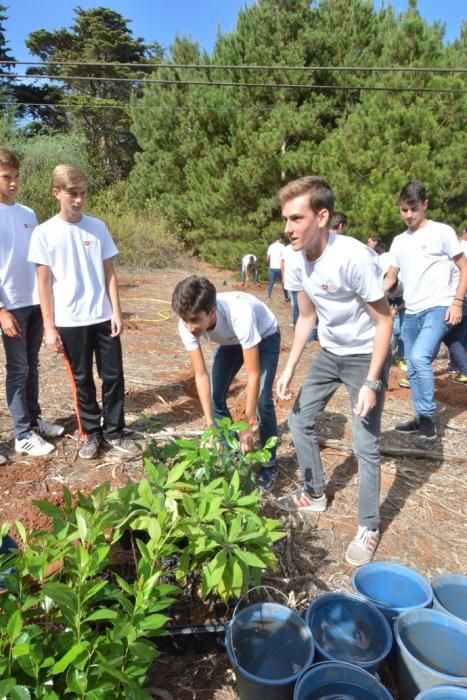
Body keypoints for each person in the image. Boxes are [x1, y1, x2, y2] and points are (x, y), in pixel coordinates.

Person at [275, 176, 392, 567]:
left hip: (364, 355)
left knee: (365, 443)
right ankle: (315, 492)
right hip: (329, 352)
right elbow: (306, 316)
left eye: (296, 218)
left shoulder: (353, 257)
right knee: (298, 420)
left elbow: (385, 321)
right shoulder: (294, 258)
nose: (288, 228)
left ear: (322, 217)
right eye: (285, 219)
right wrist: (290, 367)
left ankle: (369, 525)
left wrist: (373, 382)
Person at [28, 164, 137, 460]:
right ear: (57, 193)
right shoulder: (44, 233)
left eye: (83, 194)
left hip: (102, 316)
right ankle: (91, 433)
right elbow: (44, 285)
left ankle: (114, 431)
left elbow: (109, 273)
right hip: (69, 320)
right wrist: (49, 328)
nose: (78, 200)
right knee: (82, 379)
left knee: (113, 376)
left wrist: (117, 311)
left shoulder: (97, 227)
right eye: (72, 194)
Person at [172, 275, 281, 492]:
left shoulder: (240, 314)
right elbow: (201, 375)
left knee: (262, 401)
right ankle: (233, 455)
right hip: (230, 342)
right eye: (185, 320)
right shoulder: (186, 324)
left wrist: (248, 425)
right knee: (215, 395)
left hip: (264, 335)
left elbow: (253, 374)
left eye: (195, 320)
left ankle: (270, 464)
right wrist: (210, 423)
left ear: (212, 312)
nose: (190, 327)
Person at [384, 181, 467, 439]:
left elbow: (464, 267)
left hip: (439, 306)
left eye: (413, 209)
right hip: (412, 310)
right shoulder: (398, 242)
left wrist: (457, 303)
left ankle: (428, 417)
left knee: (419, 357)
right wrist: (374, 295)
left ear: (425, 205)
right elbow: (391, 278)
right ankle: (420, 418)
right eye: (403, 210)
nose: (408, 215)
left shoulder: (442, 232)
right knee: (412, 365)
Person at [0, 148, 64, 459]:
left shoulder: (27, 214)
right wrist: (1, 311)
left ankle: (35, 421)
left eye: (16, 177)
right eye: (6, 177)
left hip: (35, 302)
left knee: (32, 368)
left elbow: (40, 262)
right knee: (18, 369)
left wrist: (47, 300)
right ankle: (22, 434)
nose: (13, 183)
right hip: (10, 305)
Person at [266, 235, 287, 300]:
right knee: (283, 282)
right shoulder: (282, 246)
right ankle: (286, 297)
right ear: (280, 239)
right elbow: (284, 257)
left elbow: (267, 258)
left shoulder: (271, 246)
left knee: (271, 282)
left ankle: (269, 297)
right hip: (280, 267)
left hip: (272, 267)